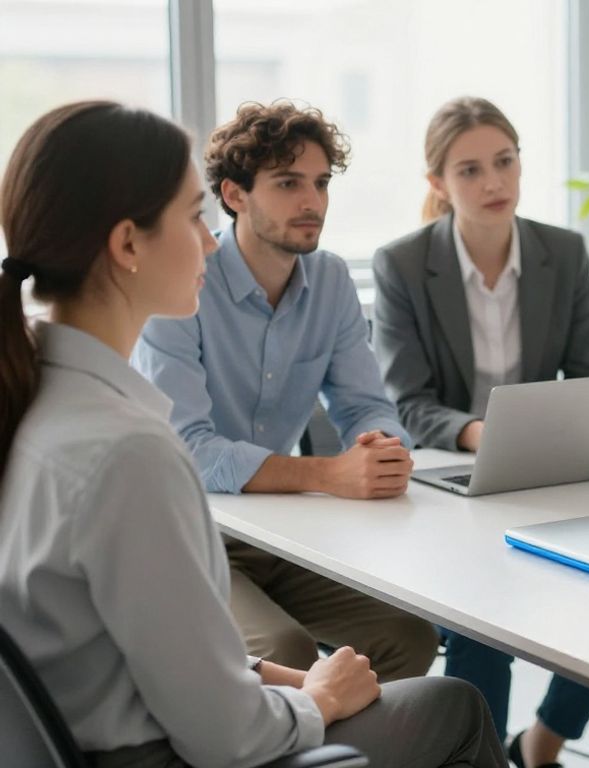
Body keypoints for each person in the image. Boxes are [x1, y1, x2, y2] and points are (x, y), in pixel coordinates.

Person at [0, 100, 506, 768]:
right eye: (192, 217)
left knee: (399, 648)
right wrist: (317, 699)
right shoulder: (129, 452)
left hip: (124, 726)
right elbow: (229, 736)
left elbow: (151, 641)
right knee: (455, 706)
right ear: (127, 245)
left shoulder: (40, 402)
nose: (209, 241)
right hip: (167, 753)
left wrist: (292, 682)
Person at [133, 101, 436, 680]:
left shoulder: (331, 280)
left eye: (321, 183)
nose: (312, 202)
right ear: (235, 195)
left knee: (407, 637)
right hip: (185, 537)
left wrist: (381, 449)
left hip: (281, 535)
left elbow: (365, 405)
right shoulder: (182, 283)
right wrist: (329, 474)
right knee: (285, 649)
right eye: (288, 183)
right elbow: (189, 450)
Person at [370, 96, 589, 768]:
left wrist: (546, 441)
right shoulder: (402, 264)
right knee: (481, 622)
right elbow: (410, 404)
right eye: (470, 170)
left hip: (542, 478)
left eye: (504, 162)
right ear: (438, 183)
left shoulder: (563, 253)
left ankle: (540, 745)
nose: (494, 182)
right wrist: (485, 435)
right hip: (446, 484)